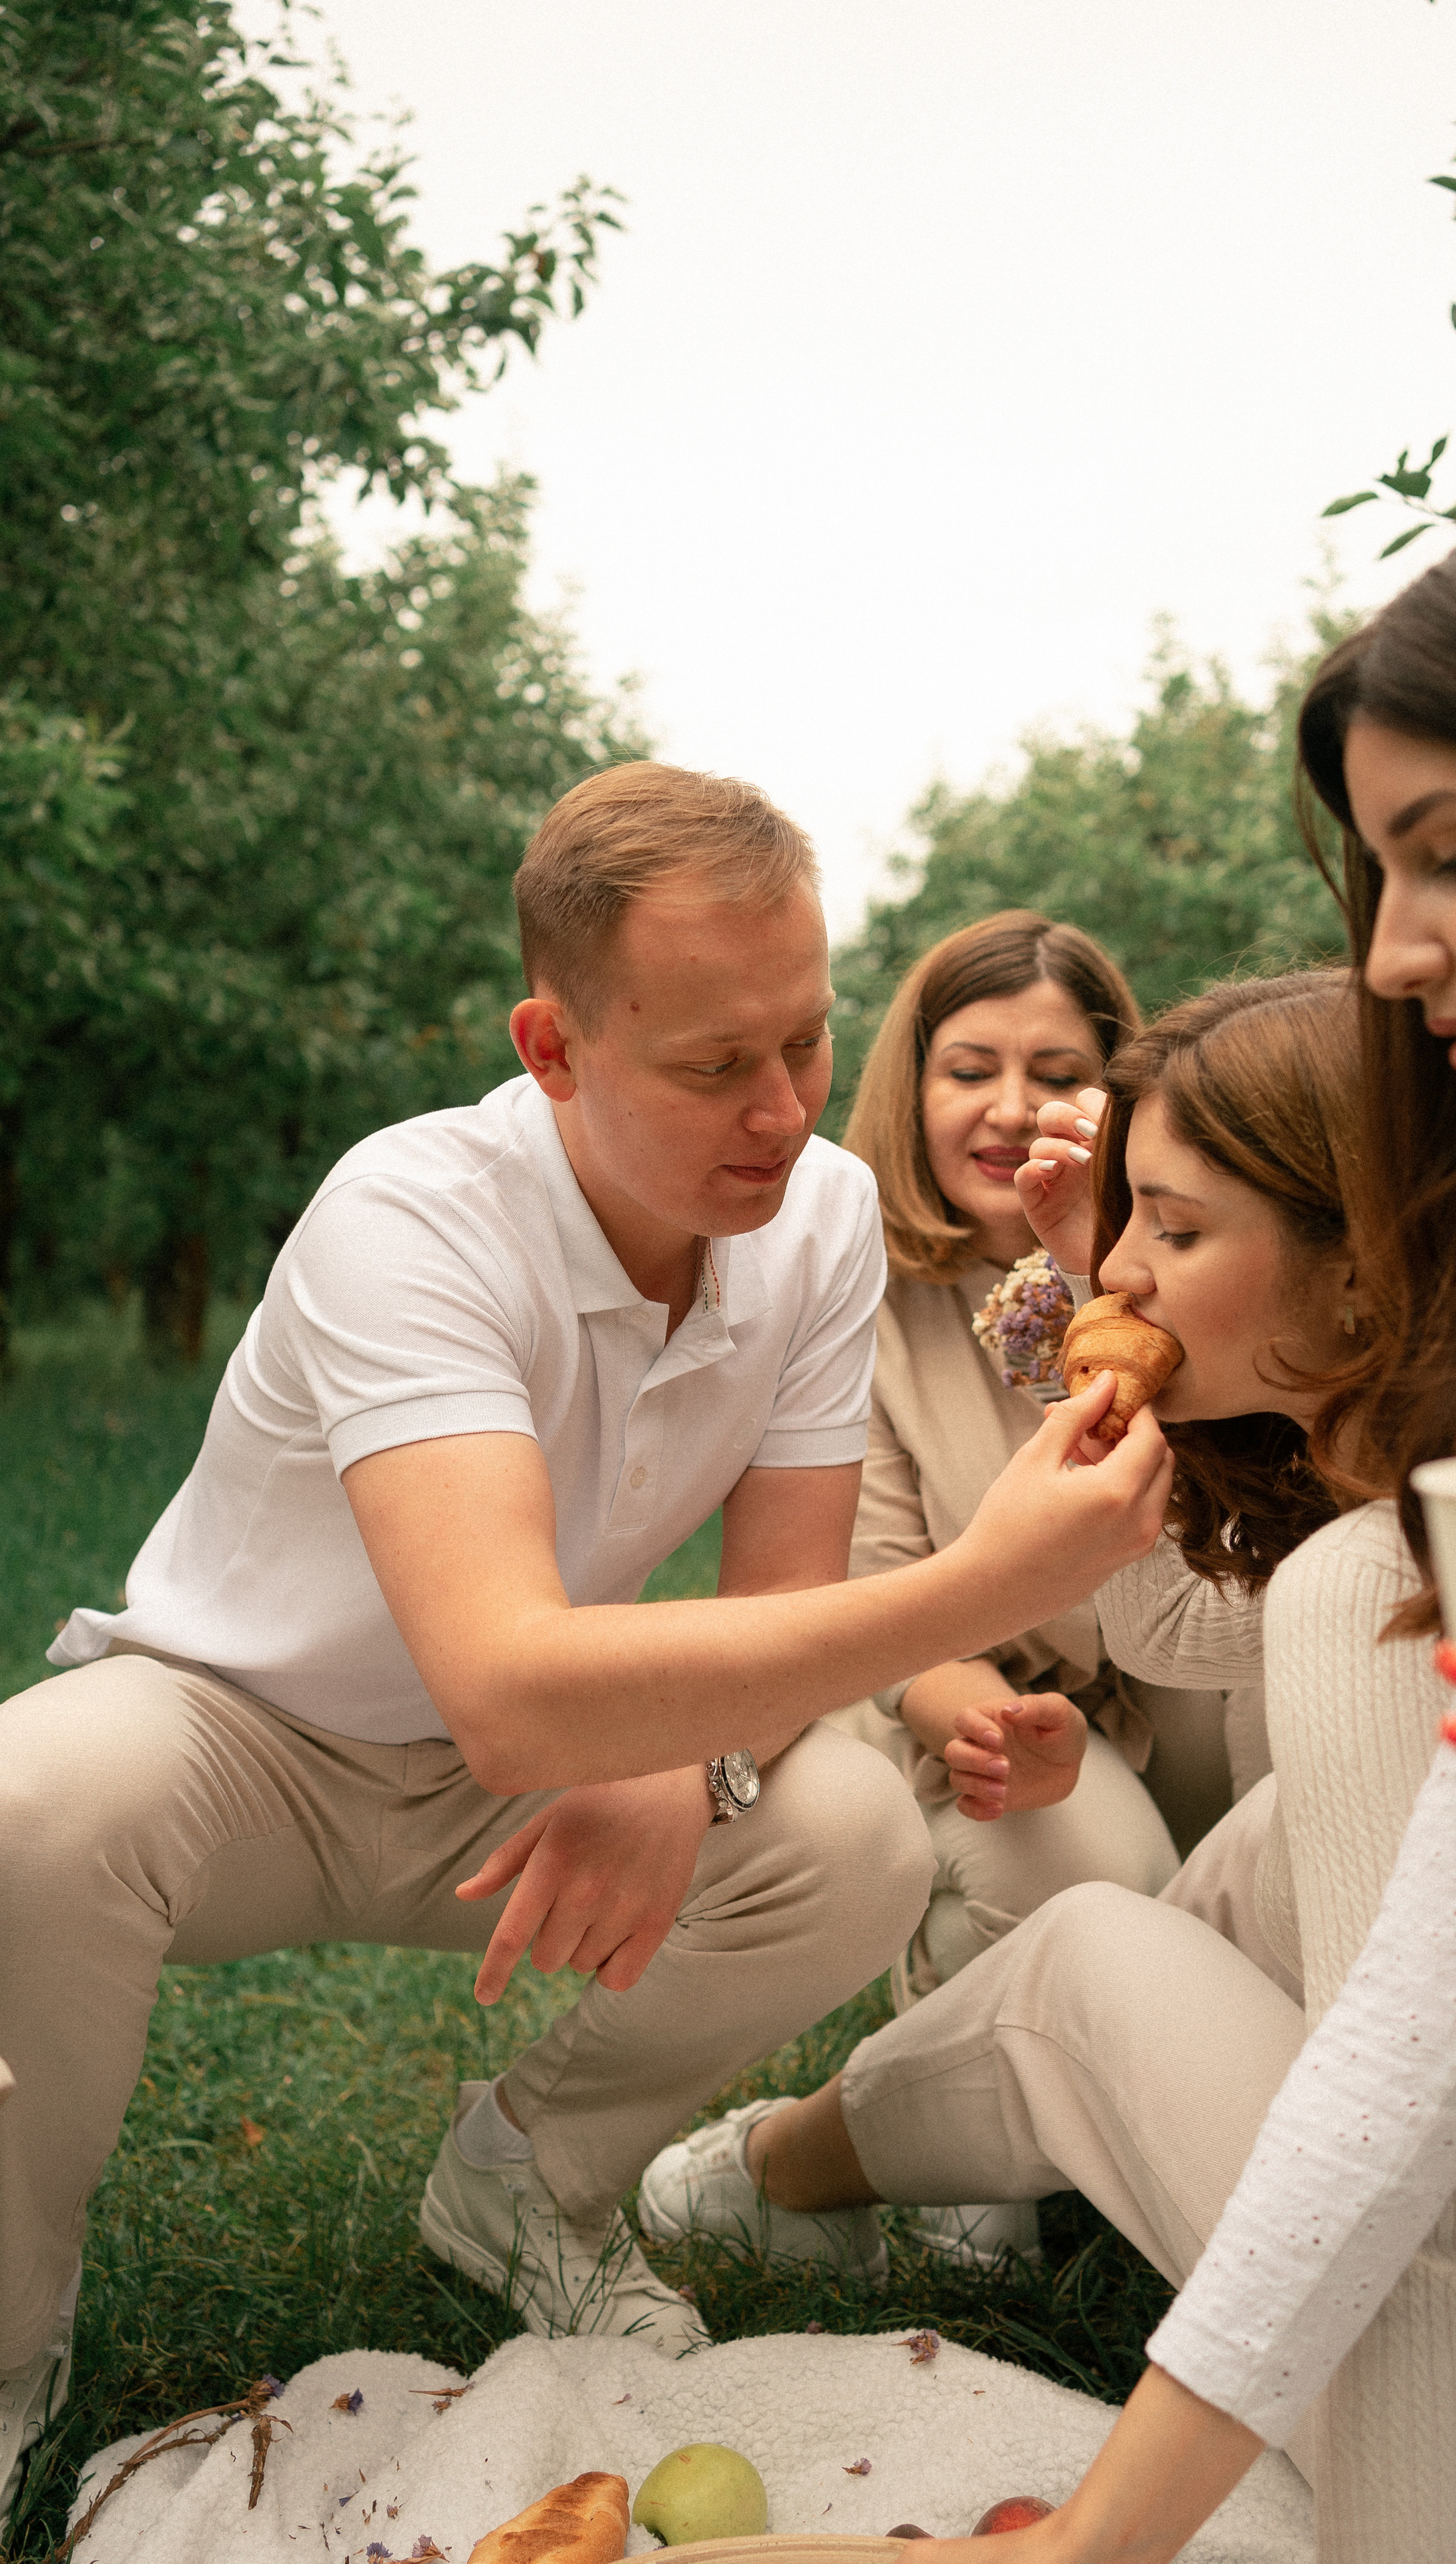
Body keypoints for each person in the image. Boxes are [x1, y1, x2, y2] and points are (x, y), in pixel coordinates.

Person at [648, 470, 1456, 2561]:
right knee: (1229, 1883)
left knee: (1121, 1940)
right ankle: (809, 2164)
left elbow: (1415, 2085)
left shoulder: (1427, 1533)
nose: (1396, 955)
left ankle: (770, 2174)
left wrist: (1088, 2542)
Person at [0, 763, 1174, 2532]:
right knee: (34, 1800)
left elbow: (777, 1614)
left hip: (534, 1774)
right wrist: (984, 1585)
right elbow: (504, 1680)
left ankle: (528, 2182)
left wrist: (685, 1763)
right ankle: (9, 2343)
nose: (784, 1109)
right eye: (716, 1064)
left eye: (807, 1039)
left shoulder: (824, 1216)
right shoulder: (411, 1216)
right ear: (552, 1050)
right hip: (249, 1745)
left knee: (850, 1833)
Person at [640, 966, 1357, 2293]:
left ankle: (1158, 2092)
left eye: (1056, 1071)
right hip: (984, 1695)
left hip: (1168, 1696)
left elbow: (1206, 1599)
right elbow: (864, 1588)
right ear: (908, 1087)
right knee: (1088, 1871)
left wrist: (1093, 1269)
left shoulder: (1224, 1355)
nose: (1012, 1107)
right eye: (969, 1069)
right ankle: (945, 2148)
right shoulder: (855, 1299)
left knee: (1206, 1840)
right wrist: (980, 1710)